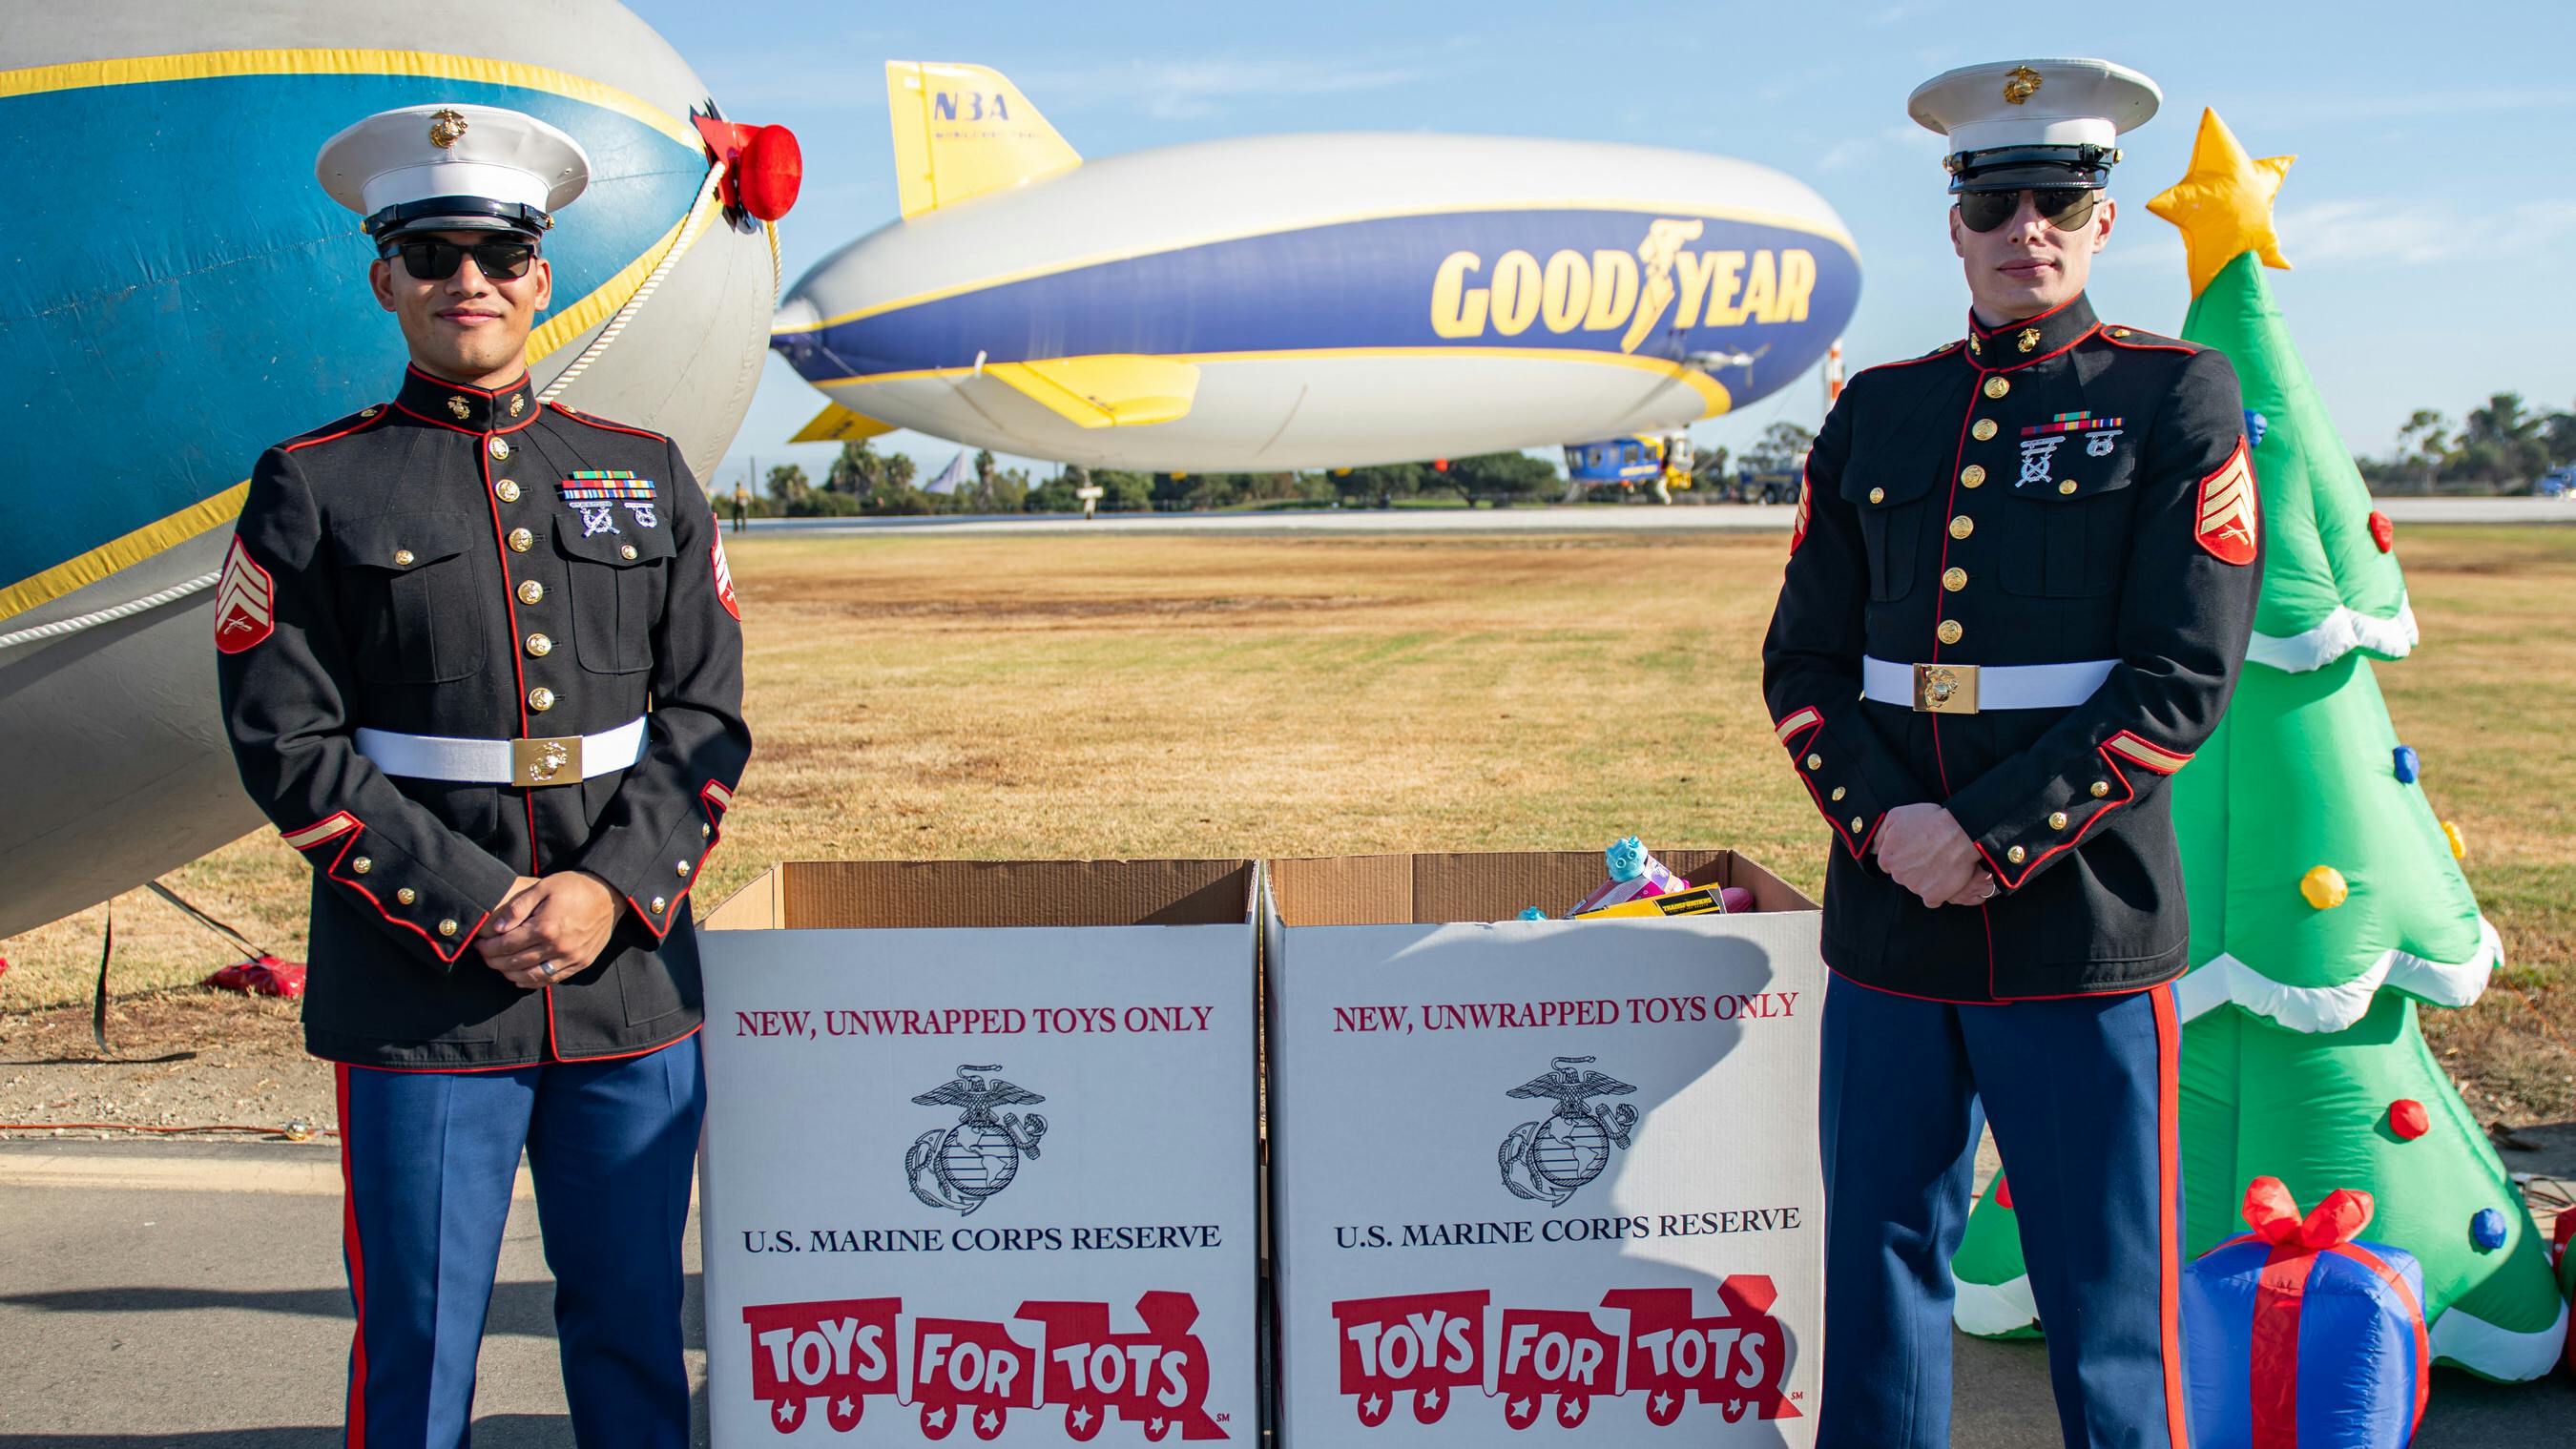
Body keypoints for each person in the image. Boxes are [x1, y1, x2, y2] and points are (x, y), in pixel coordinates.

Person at [214, 103, 751, 1447]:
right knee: (419, 1339)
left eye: (501, 255)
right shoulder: (313, 487)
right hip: (421, 985)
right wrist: (475, 905)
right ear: (384, 279)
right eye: (432, 254)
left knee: (636, 1329)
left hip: (627, 980)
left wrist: (607, 891)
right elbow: (287, 739)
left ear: (541, 277)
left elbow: (705, 712)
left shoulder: (644, 473)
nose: (470, 282)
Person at [1759, 59, 2263, 1449]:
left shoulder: (2175, 396)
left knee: (2109, 1296)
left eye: (2057, 201)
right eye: (1993, 204)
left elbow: (2180, 674)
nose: (2024, 229)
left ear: (2104, 220)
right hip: (1889, 922)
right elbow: (1804, 664)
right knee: (1875, 1271)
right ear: (1955, 224)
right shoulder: (1877, 412)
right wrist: (1890, 830)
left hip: (2076, 919)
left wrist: (1986, 837)